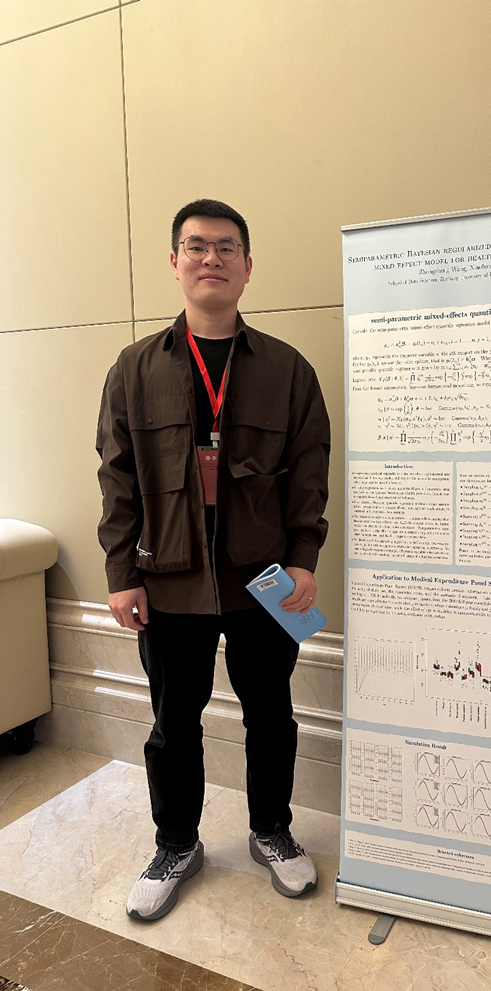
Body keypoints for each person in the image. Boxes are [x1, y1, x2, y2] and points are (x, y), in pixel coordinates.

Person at [96, 198, 330, 921]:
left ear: (247, 266)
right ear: (175, 262)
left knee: (272, 714)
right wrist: (120, 574)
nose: (211, 259)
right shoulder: (135, 369)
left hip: (264, 575)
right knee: (174, 721)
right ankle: (176, 843)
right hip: (167, 576)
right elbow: (117, 477)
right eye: (196, 246)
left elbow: (309, 469)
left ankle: (272, 830)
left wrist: (304, 557)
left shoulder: (287, 369)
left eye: (227, 248)